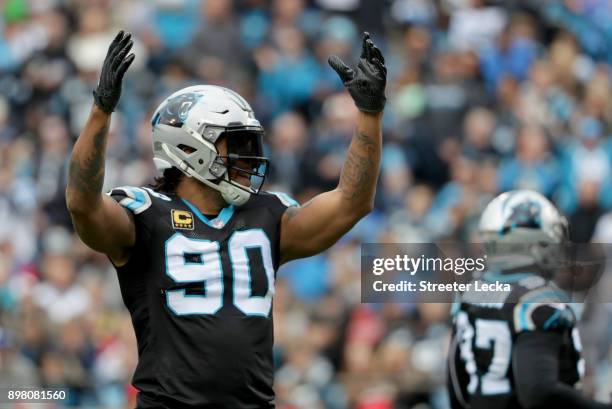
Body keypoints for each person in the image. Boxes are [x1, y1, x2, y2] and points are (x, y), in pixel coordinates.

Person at [65, 30, 386, 408]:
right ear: (188, 146)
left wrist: (369, 114)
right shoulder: (145, 215)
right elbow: (82, 204)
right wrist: (101, 110)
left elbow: (352, 203)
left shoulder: (267, 216)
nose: (249, 156)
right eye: (236, 144)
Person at [447, 190, 611, 409]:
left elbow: (456, 382)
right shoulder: (537, 299)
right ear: (533, 244)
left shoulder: (472, 292)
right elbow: (538, 393)